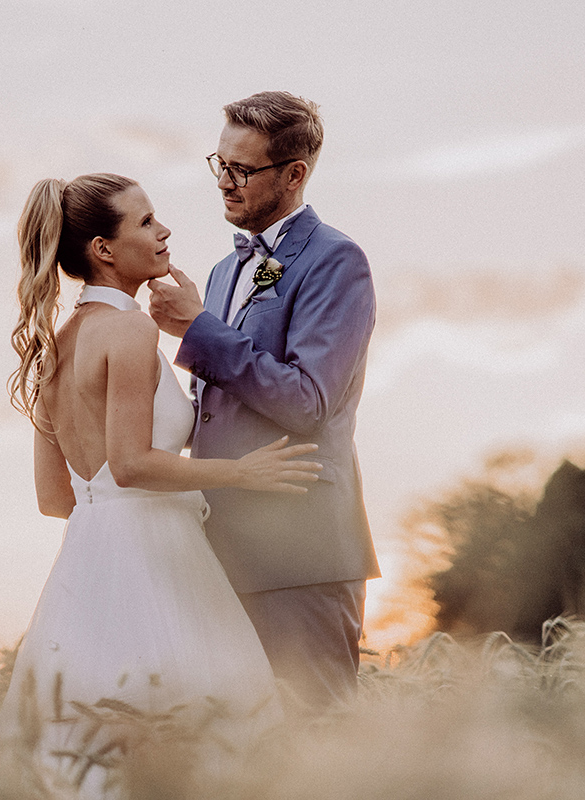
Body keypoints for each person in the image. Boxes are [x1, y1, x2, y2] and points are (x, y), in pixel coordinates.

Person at [0, 173, 321, 795]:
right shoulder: (131, 331)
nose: (164, 230)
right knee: (207, 737)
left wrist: (110, 528)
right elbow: (131, 463)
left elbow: (54, 498)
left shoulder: (52, 349)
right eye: (145, 222)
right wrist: (241, 473)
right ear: (104, 250)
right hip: (159, 559)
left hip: (85, 565)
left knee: (90, 746)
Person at [148, 92, 380, 711]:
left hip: (298, 551)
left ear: (294, 174)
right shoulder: (223, 272)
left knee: (318, 745)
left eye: (241, 170)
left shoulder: (337, 260)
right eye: (218, 164)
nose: (224, 182)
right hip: (220, 550)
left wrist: (197, 331)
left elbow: (309, 400)